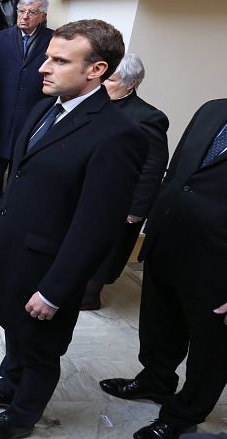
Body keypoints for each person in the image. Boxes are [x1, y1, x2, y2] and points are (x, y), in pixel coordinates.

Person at [0, 19, 147, 439]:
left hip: (51, 264)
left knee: (41, 348)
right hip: (16, 245)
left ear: (95, 70)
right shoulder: (49, 105)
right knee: (14, 327)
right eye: (47, 57)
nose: (45, 67)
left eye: (60, 61)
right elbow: (22, 173)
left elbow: (96, 226)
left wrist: (56, 290)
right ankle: (7, 388)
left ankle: (21, 417)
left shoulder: (118, 135)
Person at [99, 47, 227, 439]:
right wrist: (152, 232)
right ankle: (154, 379)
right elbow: (177, 173)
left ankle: (185, 412)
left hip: (222, 270)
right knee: (158, 327)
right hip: (169, 246)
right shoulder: (213, 110)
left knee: (208, 349)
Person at [80, 54, 169, 310]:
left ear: (130, 84)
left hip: (120, 200)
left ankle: (89, 298)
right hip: (89, 192)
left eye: (112, 80)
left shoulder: (147, 117)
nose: (103, 83)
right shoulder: (94, 104)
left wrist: (136, 209)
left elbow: (153, 167)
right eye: (103, 78)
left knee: (106, 253)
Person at [0, 0, 52, 224]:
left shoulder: (53, 41)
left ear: (42, 16)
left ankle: (9, 209)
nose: (24, 16)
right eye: (21, 11)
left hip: (32, 116)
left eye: (31, 12)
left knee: (20, 168)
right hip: (1, 115)